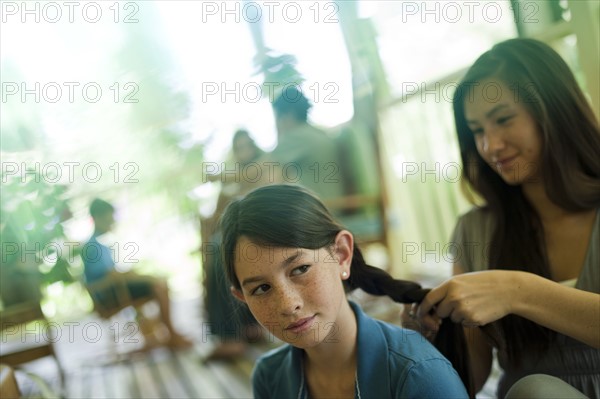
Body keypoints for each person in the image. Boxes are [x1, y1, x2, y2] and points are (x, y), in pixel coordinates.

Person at [415, 38, 600, 398]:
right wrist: (429, 344)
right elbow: (468, 376)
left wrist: (517, 291)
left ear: (554, 108)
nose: (490, 146)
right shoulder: (476, 230)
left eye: (503, 119)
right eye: (478, 131)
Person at [218, 184, 468, 398]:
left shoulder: (418, 376)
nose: (287, 304)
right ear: (242, 298)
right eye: (262, 288)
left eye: (300, 269)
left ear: (341, 255)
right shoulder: (269, 377)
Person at [82, 198, 193, 349]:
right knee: (158, 286)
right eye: (109, 217)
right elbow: (112, 276)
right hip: (109, 296)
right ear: (98, 218)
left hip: (115, 289)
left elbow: (113, 274)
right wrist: (143, 277)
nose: (112, 221)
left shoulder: (100, 244)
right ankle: (171, 334)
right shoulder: (92, 246)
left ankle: (160, 333)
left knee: (156, 283)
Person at [202, 129, 265, 361]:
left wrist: (219, 177)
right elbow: (217, 216)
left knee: (221, 249)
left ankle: (231, 337)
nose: (243, 151)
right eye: (238, 147)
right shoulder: (233, 184)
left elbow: (247, 178)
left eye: (246, 145)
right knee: (217, 248)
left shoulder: (264, 165)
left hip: (265, 232)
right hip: (240, 235)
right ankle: (245, 327)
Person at [266, 86, 346, 203]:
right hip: (332, 206)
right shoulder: (315, 133)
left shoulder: (296, 137)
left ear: (288, 115)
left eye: (278, 118)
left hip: (321, 211)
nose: (277, 124)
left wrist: (230, 177)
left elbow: (257, 170)